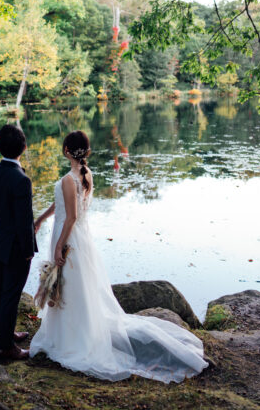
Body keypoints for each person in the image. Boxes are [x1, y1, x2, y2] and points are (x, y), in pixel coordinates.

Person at [30, 130, 208, 383]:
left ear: (66, 150)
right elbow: (62, 206)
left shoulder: (71, 179)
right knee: (72, 287)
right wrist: (41, 219)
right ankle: (70, 332)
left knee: (70, 288)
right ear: (87, 151)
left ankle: (74, 339)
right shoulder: (85, 174)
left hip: (69, 238)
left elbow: (71, 217)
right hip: (77, 238)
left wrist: (59, 247)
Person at [0, 124, 38, 360]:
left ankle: (0, 333)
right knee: (11, 294)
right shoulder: (21, 180)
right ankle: (5, 346)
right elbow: (24, 221)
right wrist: (28, 250)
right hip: (16, 246)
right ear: (24, 148)